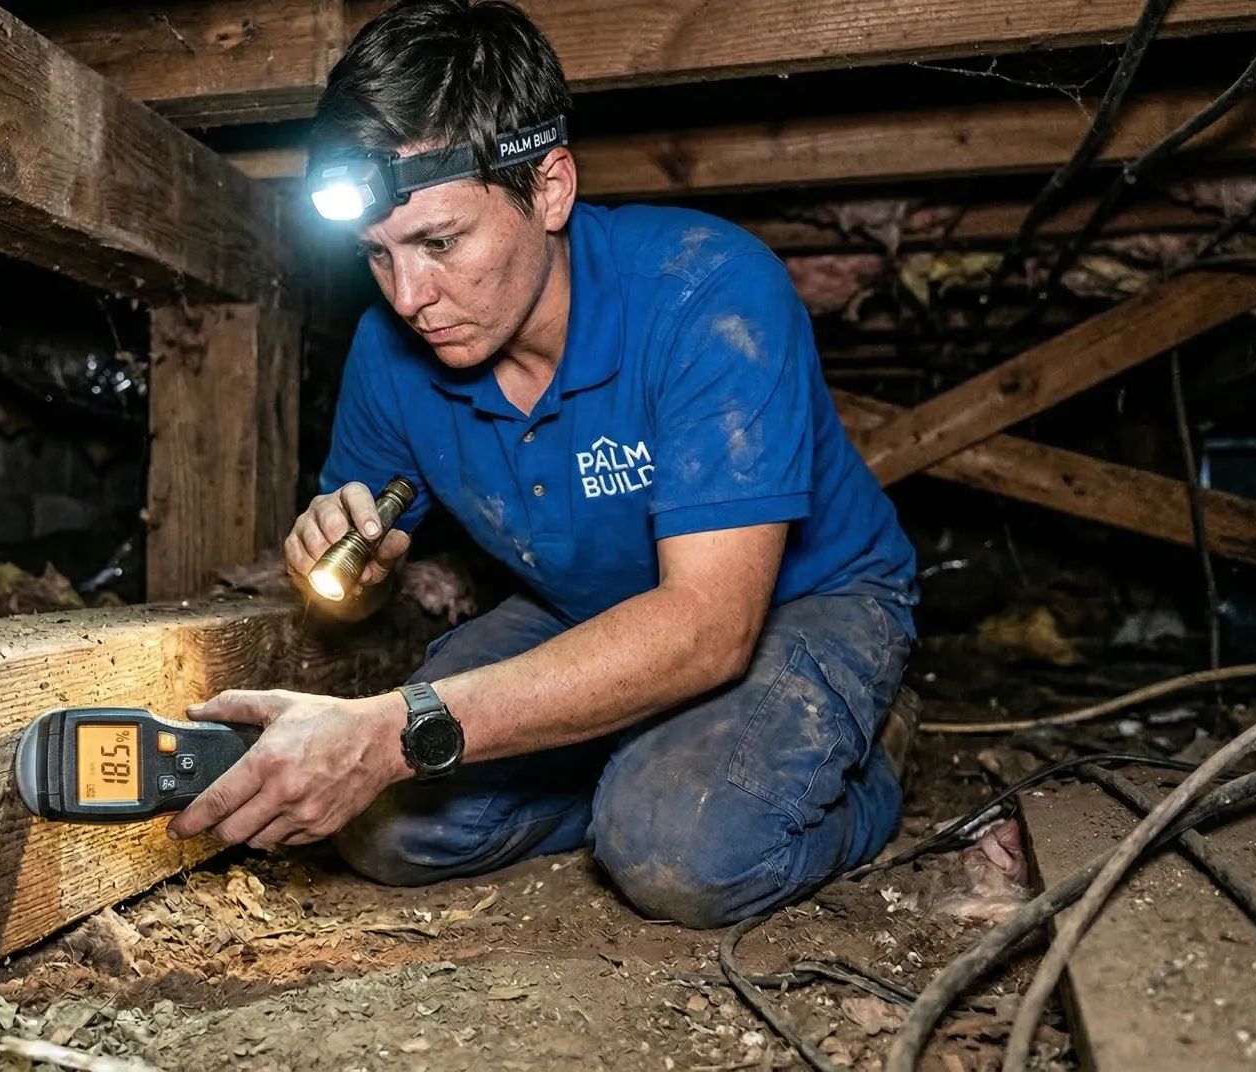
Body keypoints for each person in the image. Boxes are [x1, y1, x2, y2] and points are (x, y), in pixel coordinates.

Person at [166, 0, 919, 930]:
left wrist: (394, 734)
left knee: (681, 852)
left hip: (797, 606)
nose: (409, 297)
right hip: (579, 606)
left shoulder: (707, 294)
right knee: (388, 834)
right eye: (377, 255)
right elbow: (351, 592)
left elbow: (708, 626)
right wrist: (352, 569)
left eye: (440, 243)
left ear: (550, 187)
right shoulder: (388, 353)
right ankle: (632, 764)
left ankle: (865, 753)